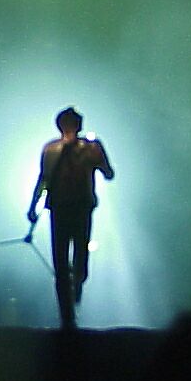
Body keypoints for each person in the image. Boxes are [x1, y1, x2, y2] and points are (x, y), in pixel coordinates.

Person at [27, 107, 114, 329]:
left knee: (74, 260)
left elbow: (107, 172)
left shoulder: (81, 148)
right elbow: (44, 178)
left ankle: (70, 304)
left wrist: (33, 206)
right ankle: (67, 315)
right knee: (65, 262)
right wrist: (34, 204)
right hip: (68, 207)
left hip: (72, 207)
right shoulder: (55, 149)